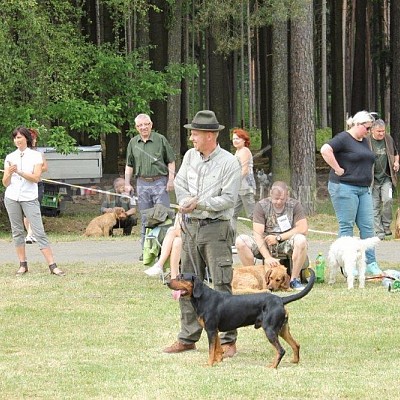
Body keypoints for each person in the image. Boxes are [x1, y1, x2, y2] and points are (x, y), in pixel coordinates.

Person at [163, 110, 241, 357]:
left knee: (221, 283)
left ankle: (228, 342)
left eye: (195, 134)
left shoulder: (229, 162)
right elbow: (180, 183)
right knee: (187, 285)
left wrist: (200, 204)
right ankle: (187, 338)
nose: (192, 138)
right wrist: (185, 200)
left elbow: (228, 199)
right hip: (190, 228)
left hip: (216, 228)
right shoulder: (189, 156)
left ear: (210, 135)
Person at [320, 110, 382, 275]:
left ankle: (370, 263)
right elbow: (325, 149)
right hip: (344, 187)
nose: (369, 132)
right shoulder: (343, 138)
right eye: (367, 128)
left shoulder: (364, 141)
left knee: (368, 227)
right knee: (346, 226)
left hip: (364, 189)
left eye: (370, 129)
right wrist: (337, 168)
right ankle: (348, 266)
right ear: (357, 124)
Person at [2, 126, 65, 276]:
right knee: (17, 232)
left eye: (20, 137)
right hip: (11, 197)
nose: (17, 140)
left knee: (39, 231)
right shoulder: (10, 157)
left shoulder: (36, 156)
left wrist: (20, 172)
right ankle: (22, 265)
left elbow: (36, 178)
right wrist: (9, 174)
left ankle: (52, 266)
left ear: (26, 139)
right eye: (15, 138)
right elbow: (5, 183)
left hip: (29, 198)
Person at [235, 181, 308, 290]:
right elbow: (257, 234)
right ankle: (255, 277)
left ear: (287, 195)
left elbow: (303, 228)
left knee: (301, 240)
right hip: (266, 242)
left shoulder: (295, 205)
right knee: (241, 241)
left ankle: (294, 280)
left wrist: (279, 238)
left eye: (282, 199)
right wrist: (267, 257)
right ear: (270, 194)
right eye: (276, 199)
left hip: (285, 242)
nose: (278, 202)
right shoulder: (261, 206)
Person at [124, 113, 176, 260]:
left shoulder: (160, 140)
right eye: (140, 125)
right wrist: (127, 183)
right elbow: (129, 165)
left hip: (160, 182)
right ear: (136, 128)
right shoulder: (133, 143)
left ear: (151, 125)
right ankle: (146, 251)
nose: (143, 127)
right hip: (142, 183)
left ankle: (164, 252)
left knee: (162, 217)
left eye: (146, 124)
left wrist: (170, 180)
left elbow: (171, 161)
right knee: (146, 218)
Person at [367, 119, 399, 239]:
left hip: (386, 178)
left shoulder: (388, 139)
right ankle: (378, 231)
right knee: (374, 205)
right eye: (379, 131)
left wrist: (396, 162)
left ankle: (386, 226)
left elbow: (396, 153)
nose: (381, 133)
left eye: (383, 131)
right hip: (372, 180)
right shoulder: (366, 141)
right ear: (372, 131)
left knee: (388, 200)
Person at [231, 128, 256, 237]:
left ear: (244, 140)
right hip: (238, 189)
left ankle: (265, 236)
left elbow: (244, 170)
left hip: (246, 187)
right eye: (233, 139)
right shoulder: (237, 151)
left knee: (252, 215)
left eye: (238, 138)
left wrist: (234, 182)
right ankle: (231, 241)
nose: (235, 141)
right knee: (232, 213)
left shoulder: (245, 151)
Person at [24, 128, 47, 244]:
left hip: (37, 184)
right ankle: (30, 234)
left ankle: (30, 235)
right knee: (26, 212)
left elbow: (45, 167)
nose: (34, 140)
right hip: (25, 185)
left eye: (35, 138)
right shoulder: (21, 153)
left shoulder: (39, 153)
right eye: (32, 138)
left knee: (34, 209)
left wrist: (35, 169)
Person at [143, 213, 182, 279]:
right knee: (176, 242)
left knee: (172, 232)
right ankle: (174, 278)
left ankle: (159, 264)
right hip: (183, 238)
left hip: (197, 236)